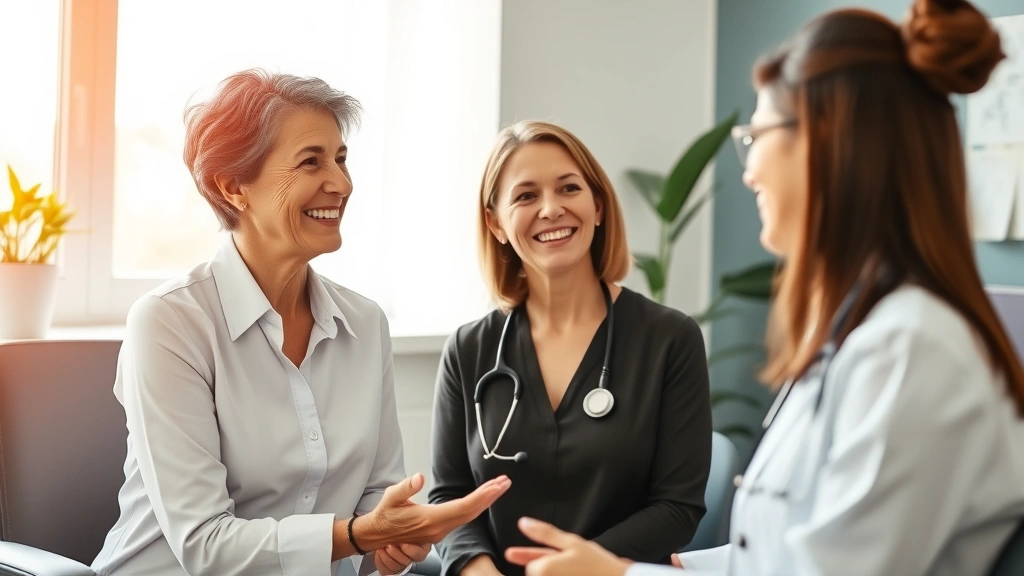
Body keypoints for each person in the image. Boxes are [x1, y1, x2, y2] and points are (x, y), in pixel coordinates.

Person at [500, 1, 1024, 575]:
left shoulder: (909, 350)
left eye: (756, 135)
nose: (748, 172)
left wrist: (621, 574)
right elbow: (792, 550)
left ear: (828, 143)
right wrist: (684, 567)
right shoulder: (863, 335)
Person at [90, 69, 511, 576]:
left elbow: (377, 498)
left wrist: (393, 540)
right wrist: (360, 535)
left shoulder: (364, 323)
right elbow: (206, 545)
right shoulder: (170, 323)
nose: (341, 183)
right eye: (311, 162)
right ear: (233, 187)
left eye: (340, 158)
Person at [428, 120, 713, 576]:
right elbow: (449, 497)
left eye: (568, 188)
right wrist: (477, 570)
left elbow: (677, 507)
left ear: (597, 206)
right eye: (525, 196)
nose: (551, 209)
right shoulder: (468, 348)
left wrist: (580, 568)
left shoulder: (670, 339)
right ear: (495, 223)